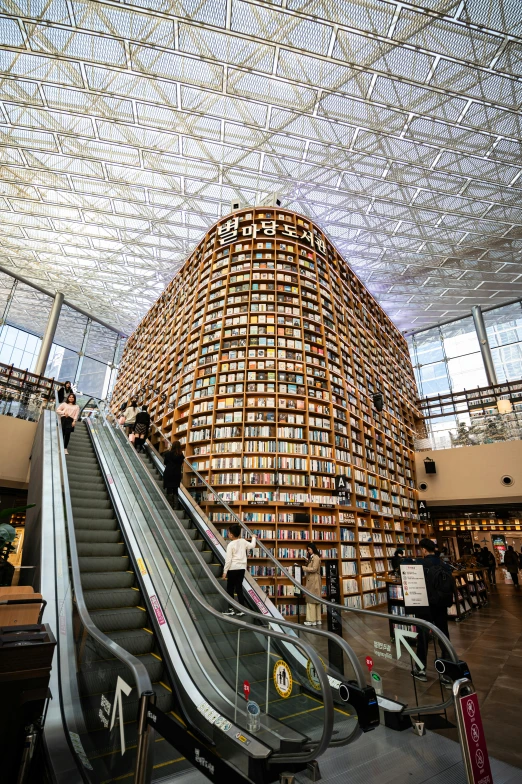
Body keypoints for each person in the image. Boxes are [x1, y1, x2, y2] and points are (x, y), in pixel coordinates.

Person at [412, 538, 454, 686]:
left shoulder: (420, 564)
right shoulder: (444, 564)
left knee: (422, 637)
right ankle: (447, 672)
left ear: (423, 550)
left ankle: (421, 669)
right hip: (441, 605)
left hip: (424, 605)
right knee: (443, 635)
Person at [222, 524, 256, 617]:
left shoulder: (230, 545)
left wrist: (225, 572)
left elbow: (228, 560)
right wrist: (253, 537)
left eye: (228, 532)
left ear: (231, 535)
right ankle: (242, 609)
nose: (228, 534)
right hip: (242, 569)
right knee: (239, 588)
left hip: (233, 569)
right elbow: (252, 545)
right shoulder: (243, 541)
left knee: (230, 589)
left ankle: (231, 609)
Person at [302, 543, 322, 626]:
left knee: (311, 600)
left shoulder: (316, 557)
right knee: (316, 600)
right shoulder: (313, 557)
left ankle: (311, 620)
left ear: (313, 549)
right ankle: (317, 619)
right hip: (314, 580)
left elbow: (314, 569)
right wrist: (307, 561)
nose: (308, 551)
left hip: (314, 580)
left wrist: (304, 568)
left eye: (309, 549)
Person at [163, 441, 184, 506]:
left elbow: (165, 462)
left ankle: (170, 505)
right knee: (175, 489)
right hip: (177, 474)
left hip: (169, 473)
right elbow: (181, 464)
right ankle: (176, 505)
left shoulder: (168, 454)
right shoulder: (181, 455)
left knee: (169, 488)